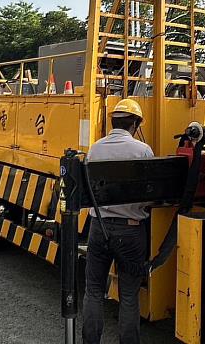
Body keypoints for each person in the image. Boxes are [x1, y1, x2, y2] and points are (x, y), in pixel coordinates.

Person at [82, 98, 154, 344]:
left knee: (93, 290)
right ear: (135, 124)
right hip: (131, 232)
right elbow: (149, 194)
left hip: (98, 228)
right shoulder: (143, 151)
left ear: (113, 122)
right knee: (129, 296)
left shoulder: (95, 149)